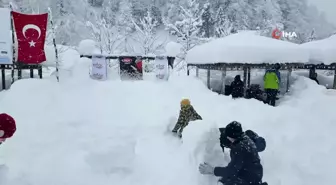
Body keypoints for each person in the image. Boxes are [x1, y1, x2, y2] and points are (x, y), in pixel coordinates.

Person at [199, 121, 265, 185]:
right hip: (255, 174)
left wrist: (212, 170)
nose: (227, 138)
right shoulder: (244, 138)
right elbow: (225, 133)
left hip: (249, 179)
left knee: (226, 180)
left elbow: (231, 171)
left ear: (232, 137)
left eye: (228, 137)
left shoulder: (239, 149)